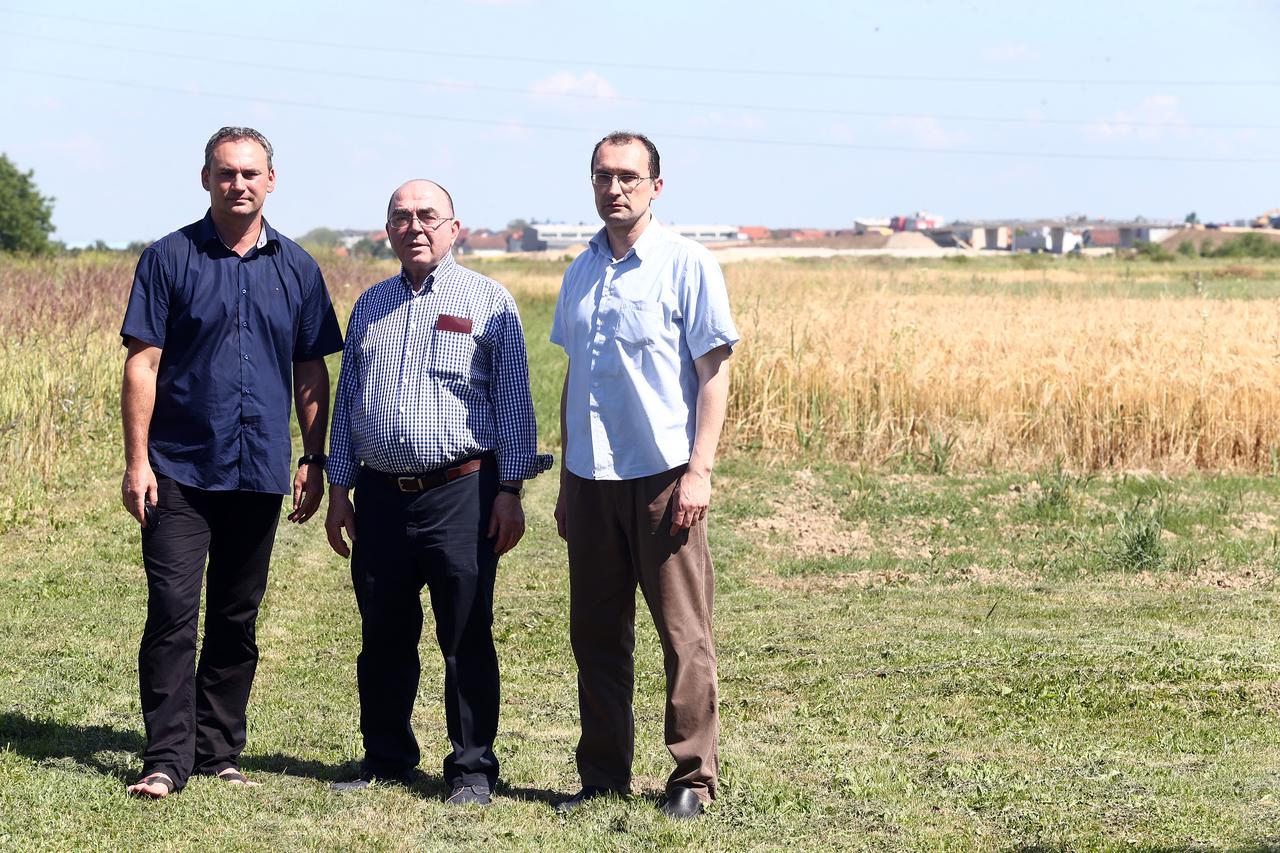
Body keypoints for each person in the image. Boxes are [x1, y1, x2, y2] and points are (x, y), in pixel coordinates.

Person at [119, 126, 343, 798]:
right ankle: (166, 756)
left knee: (236, 616)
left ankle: (218, 749)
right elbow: (143, 364)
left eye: (250, 173)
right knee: (172, 610)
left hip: (258, 468)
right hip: (179, 468)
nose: (238, 184)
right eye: (225, 173)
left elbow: (310, 370)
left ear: (271, 180)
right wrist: (137, 462)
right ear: (205, 179)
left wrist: (313, 457)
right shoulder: (168, 258)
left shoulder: (298, 268)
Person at [324, 179, 551, 806]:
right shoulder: (370, 305)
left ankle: (472, 767)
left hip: (462, 492)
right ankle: (386, 756)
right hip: (380, 496)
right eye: (402, 217)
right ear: (388, 231)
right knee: (383, 633)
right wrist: (339, 486)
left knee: (466, 631)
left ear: (455, 228)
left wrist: (510, 490)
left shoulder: (488, 301)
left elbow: (513, 405)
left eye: (428, 215)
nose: (415, 226)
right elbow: (348, 403)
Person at [551, 131, 738, 820]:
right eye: (603, 176)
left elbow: (713, 375)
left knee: (683, 635)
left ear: (656, 186)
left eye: (629, 176)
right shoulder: (580, 271)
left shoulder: (687, 264)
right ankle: (603, 774)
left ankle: (692, 777)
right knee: (597, 634)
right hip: (591, 479)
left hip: (663, 478)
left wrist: (699, 471)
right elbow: (576, 378)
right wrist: (567, 483)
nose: (615, 188)